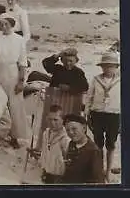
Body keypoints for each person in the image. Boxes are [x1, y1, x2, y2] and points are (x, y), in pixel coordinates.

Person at [0, 16, 30, 149]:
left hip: (13, 74)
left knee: (14, 105)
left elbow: (23, 62)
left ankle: (15, 136)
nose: (3, 26)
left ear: (12, 24)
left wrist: (21, 81)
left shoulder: (19, 39)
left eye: (6, 24)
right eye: (1, 24)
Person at [37, 48, 89, 149]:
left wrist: (70, 88)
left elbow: (84, 87)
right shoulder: (58, 69)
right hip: (55, 101)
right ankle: (46, 147)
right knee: (51, 124)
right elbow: (46, 64)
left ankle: (67, 148)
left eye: (71, 61)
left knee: (68, 125)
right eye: (65, 61)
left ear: (76, 61)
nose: (68, 63)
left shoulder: (78, 72)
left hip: (70, 103)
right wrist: (58, 55)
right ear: (62, 61)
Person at [85, 52, 121, 182]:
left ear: (116, 67)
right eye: (105, 66)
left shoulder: (120, 80)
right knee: (98, 144)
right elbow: (89, 97)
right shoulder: (96, 79)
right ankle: (99, 170)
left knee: (111, 145)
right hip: (98, 114)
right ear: (101, 67)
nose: (108, 69)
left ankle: (108, 172)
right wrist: (87, 112)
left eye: (111, 66)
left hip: (114, 115)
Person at [28, 105, 70, 184]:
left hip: (58, 178)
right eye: (50, 119)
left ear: (62, 120)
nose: (52, 123)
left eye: (55, 120)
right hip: (45, 173)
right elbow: (45, 153)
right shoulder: (46, 133)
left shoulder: (66, 138)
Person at [62, 114, 105, 184]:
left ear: (84, 128)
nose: (71, 133)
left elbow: (97, 180)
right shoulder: (71, 143)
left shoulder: (93, 151)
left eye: (74, 129)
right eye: (67, 130)